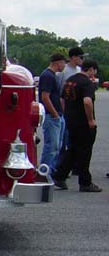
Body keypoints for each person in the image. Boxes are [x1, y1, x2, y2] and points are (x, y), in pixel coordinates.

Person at [52, 58, 102, 192]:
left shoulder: (70, 80)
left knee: (73, 149)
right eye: (94, 71)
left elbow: (62, 99)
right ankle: (85, 182)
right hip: (83, 122)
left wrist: (67, 113)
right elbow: (87, 101)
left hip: (71, 120)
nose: (94, 73)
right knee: (85, 151)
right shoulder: (87, 83)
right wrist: (90, 119)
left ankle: (60, 176)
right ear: (91, 69)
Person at [54, 46, 86, 174]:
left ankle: (74, 166)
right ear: (73, 57)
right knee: (62, 141)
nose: (82, 60)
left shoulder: (79, 70)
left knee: (74, 140)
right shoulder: (63, 72)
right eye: (80, 57)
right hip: (65, 109)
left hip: (77, 111)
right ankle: (59, 166)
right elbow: (58, 92)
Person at [38, 53, 67, 171]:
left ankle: (51, 171)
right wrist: (55, 114)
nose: (64, 65)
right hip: (51, 116)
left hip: (57, 115)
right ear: (58, 62)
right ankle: (44, 172)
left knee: (57, 146)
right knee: (52, 147)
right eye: (63, 62)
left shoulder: (53, 75)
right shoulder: (48, 76)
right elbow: (45, 97)